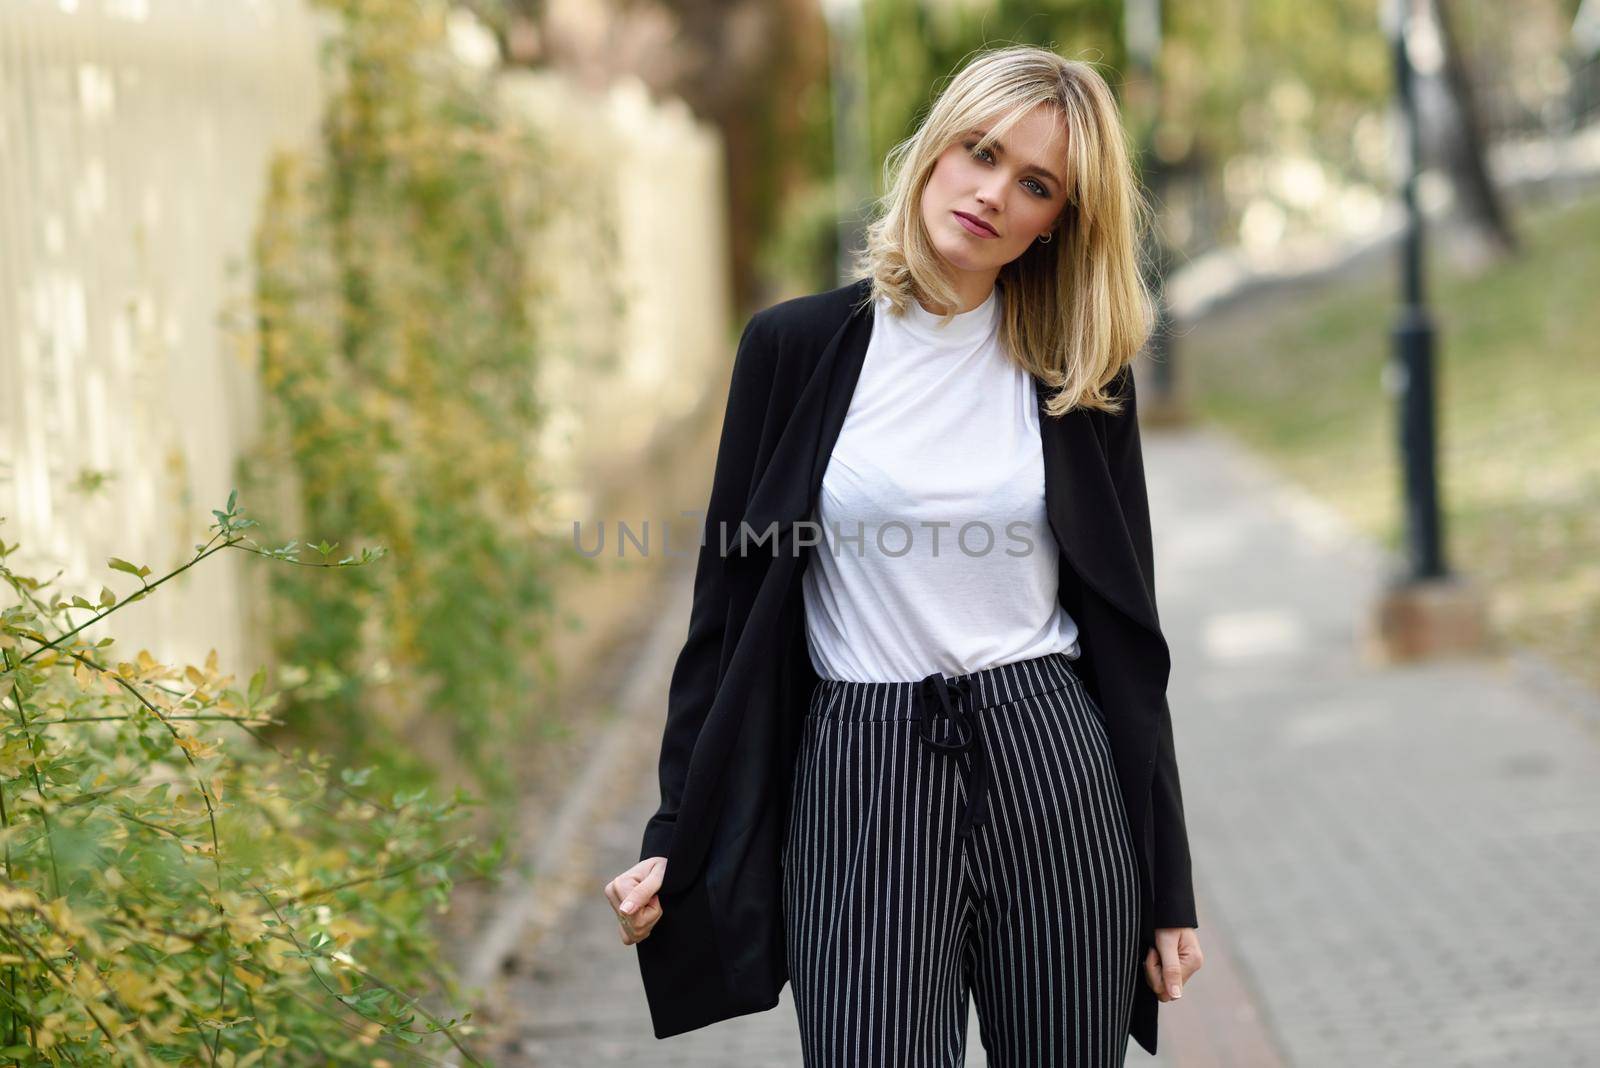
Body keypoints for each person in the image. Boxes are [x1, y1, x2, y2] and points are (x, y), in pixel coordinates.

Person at [604, 44, 1203, 1064]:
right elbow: (726, 616)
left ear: (1059, 219)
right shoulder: (792, 351)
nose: (991, 194)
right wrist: (674, 834)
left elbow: (1126, 639)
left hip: (1049, 760)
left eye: (1035, 185)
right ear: (936, 149)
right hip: (859, 770)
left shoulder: (1078, 374)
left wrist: (1166, 882)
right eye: (980, 151)